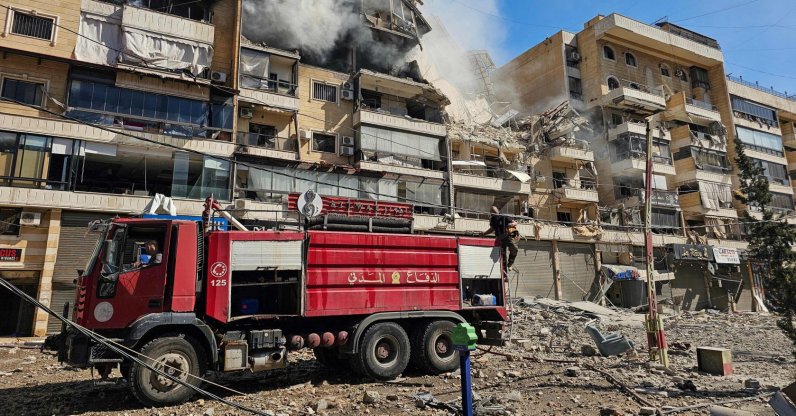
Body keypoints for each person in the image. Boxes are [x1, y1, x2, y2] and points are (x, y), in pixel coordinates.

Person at [482, 206, 519, 270]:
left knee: (514, 248)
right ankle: (502, 267)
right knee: (500, 254)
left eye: (494, 210)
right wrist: (484, 234)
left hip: (507, 237)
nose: (493, 212)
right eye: (492, 211)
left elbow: (515, 222)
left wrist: (512, 224)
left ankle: (510, 264)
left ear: (498, 210)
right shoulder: (493, 220)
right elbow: (492, 229)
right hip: (499, 238)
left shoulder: (504, 216)